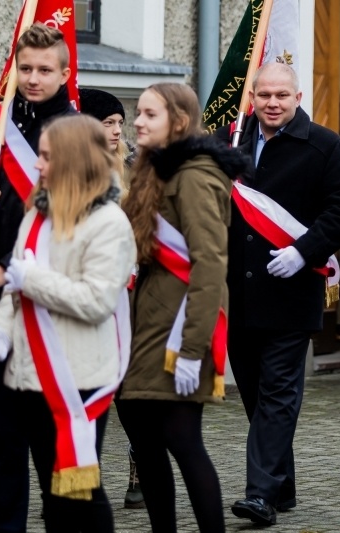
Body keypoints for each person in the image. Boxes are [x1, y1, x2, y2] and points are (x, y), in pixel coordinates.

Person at [215, 63, 340, 527]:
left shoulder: (324, 145)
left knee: (278, 393)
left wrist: (304, 251)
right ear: (252, 97)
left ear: (298, 97)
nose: (272, 103)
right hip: (237, 293)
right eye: (264, 95)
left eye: (282, 95)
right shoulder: (230, 140)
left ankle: (259, 495)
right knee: (256, 396)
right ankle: (282, 486)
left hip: (291, 293)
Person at [0, 114, 135, 532]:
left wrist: (32, 279)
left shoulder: (109, 223)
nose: (38, 164)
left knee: (79, 492)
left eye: (46, 156)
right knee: (53, 495)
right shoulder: (38, 213)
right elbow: (18, 284)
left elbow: (96, 301)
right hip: (30, 374)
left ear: (72, 160)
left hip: (76, 380)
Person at [0, 23, 76, 532]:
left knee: (51, 436)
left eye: (44, 70)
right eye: (24, 68)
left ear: (64, 73)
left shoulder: (81, 134)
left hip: (54, 306)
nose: (33, 78)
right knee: (5, 435)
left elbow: (82, 232)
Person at [116, 82, 243, 532]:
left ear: (179, 121)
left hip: (180, 326)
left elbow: (210, 264)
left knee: (183, 440)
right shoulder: (152, 169)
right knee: (145, 442)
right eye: (138, 113)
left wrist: (191, 349)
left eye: (150, 114)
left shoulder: (195, 176)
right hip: (146, 323)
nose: (138, 121)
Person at [77, 85, 143, 510]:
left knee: (130, 392)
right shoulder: (69, 168)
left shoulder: (134, 167)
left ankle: (141, 466)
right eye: (107, 122)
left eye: (120, 122)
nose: (117, 130)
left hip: (130, 295)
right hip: (84, 294)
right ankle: (79, 480)